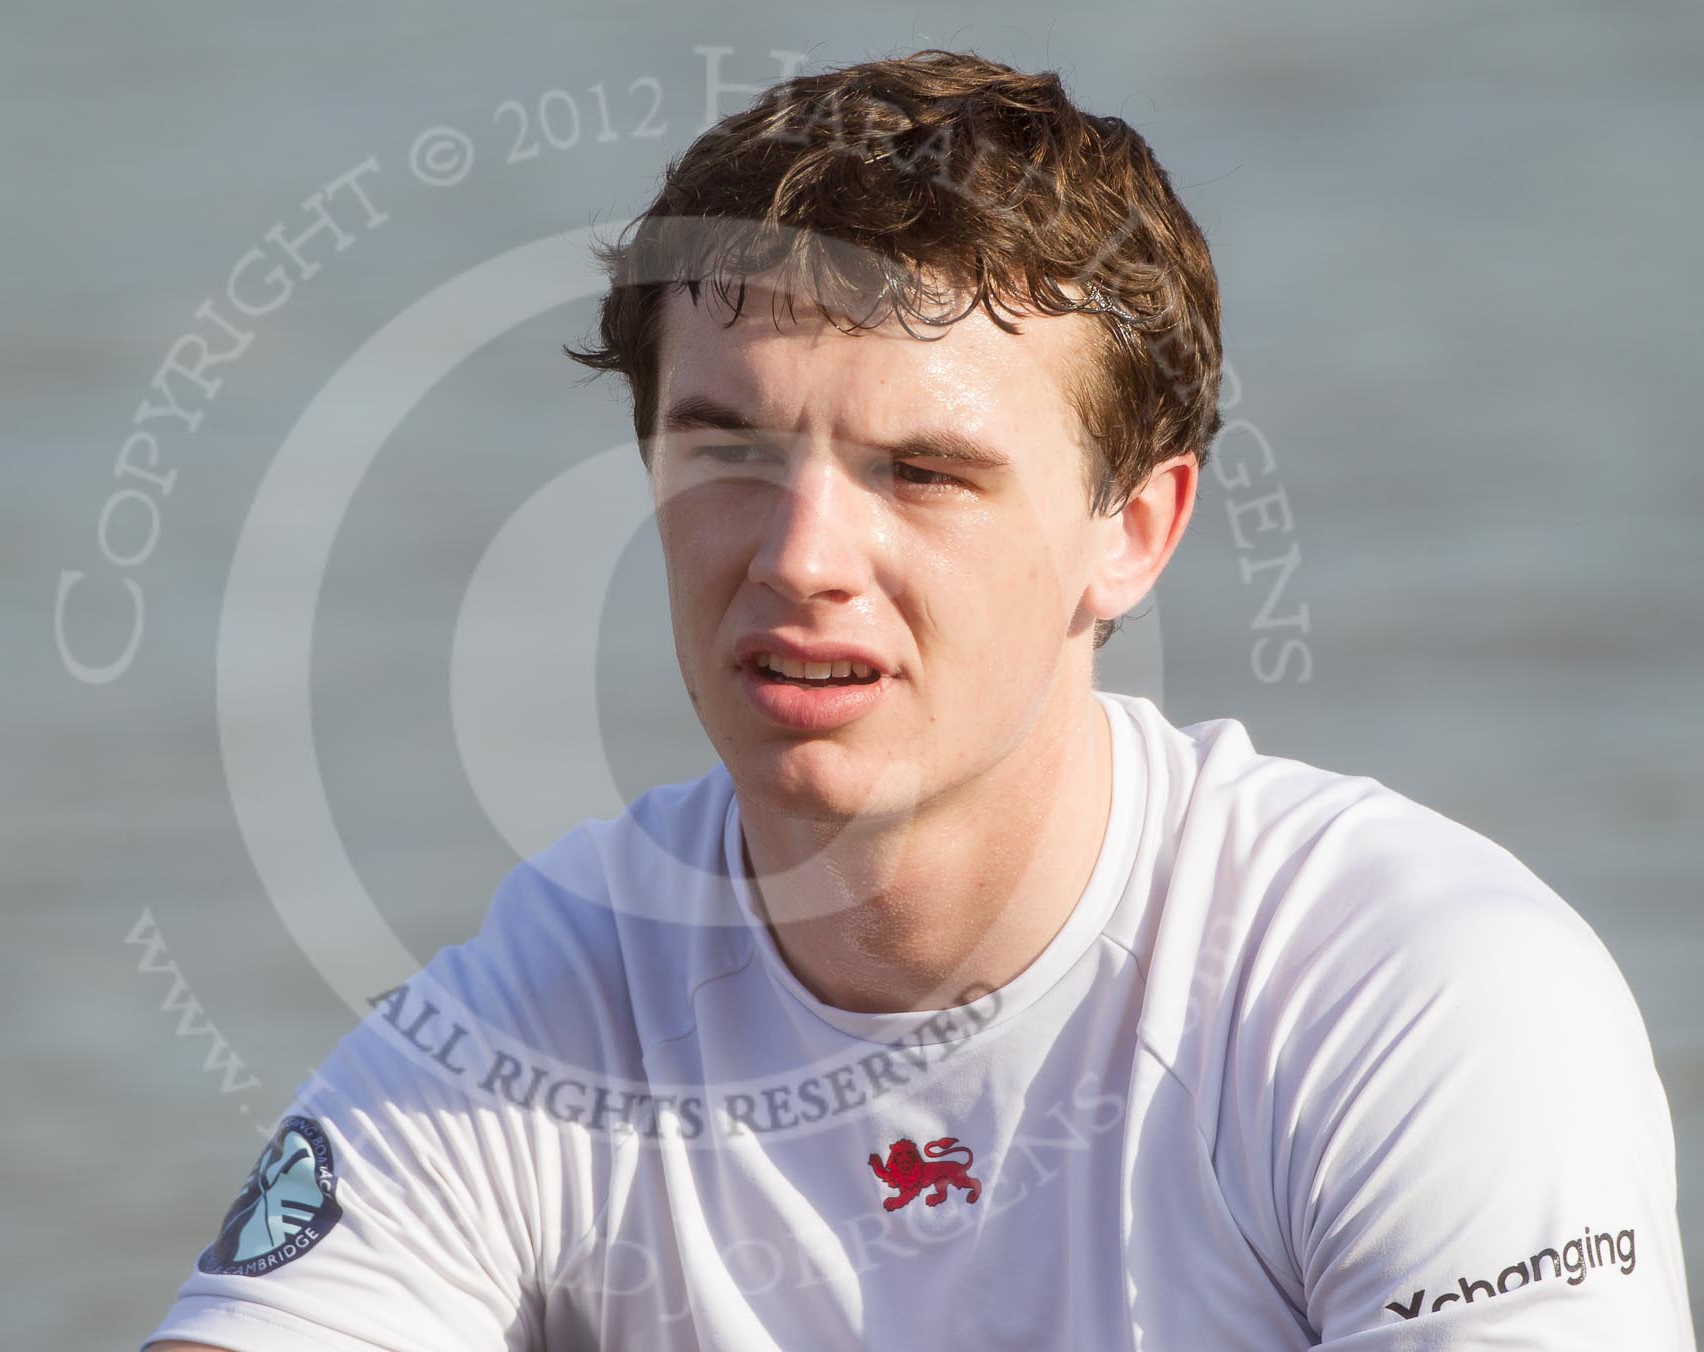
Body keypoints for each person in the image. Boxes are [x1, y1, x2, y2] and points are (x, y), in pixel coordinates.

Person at [143, 50, 1694, 1350]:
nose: (803, 557)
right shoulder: (549, 1005)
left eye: (925, 473)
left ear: (1132, 531)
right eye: (728, 450)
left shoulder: (1415, 999)